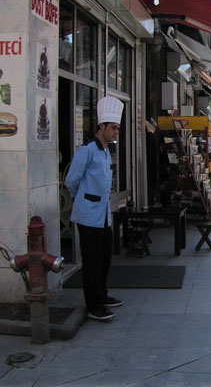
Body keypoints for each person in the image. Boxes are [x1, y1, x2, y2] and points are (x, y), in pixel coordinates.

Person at [65, 96, 124, 321]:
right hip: (89, 214)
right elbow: (72, 179)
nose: (116, 132)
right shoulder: (87, 150)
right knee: (91, 261)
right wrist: (76, 198)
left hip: (104, 215)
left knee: (104, 258)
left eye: (118, 128)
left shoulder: (106, 151)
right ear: (102, 127)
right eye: (114, 128)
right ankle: (93, 304)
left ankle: (102, 294)